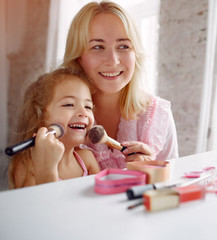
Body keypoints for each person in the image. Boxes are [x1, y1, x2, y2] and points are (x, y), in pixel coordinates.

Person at [61, 1, 179, 170]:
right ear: (78, 57)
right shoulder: (58, 113)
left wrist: (154, 170)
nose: (113, 60)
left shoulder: (157, 116)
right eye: (97, 47)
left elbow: (171, 185)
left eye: (123, 46)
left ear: (135, 53)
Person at [8, 68, 100, 189]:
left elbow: (101, 200)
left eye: (88, 106)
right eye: (69, 104)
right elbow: (42, 207)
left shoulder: (86, 158)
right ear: (40, 116)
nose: (83, 112)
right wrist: (47, 171)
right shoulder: (27, 166)